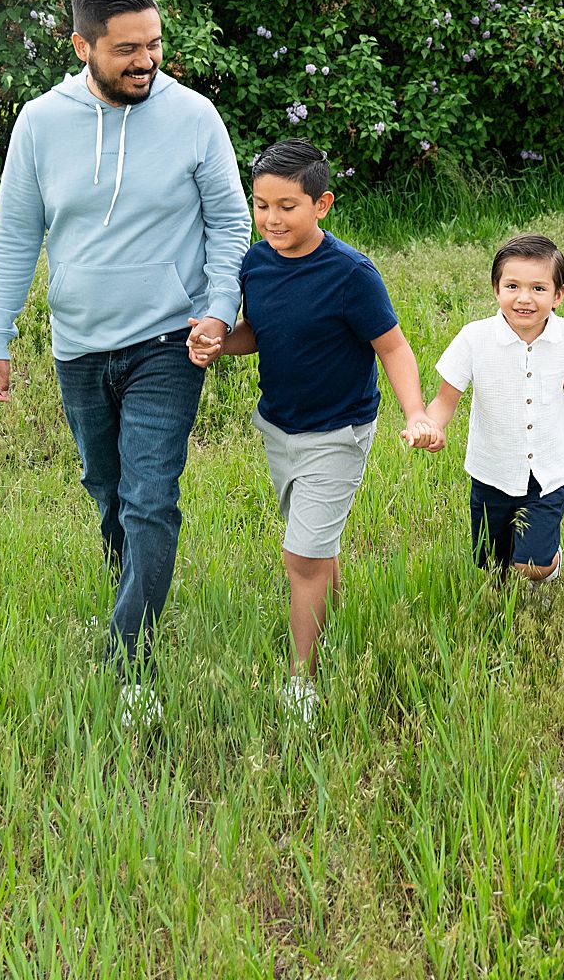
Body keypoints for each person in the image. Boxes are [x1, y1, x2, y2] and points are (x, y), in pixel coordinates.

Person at [0, 0, 252, 710]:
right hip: (78, 346)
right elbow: (15, 236)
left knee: (151, 498)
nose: (146, 61)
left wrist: (218, 309)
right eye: (126, 49)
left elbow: (230, 224)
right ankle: (137, 588)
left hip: (171, 340)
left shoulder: (195, 117)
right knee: (107, 492)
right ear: (82, 46)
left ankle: (130, 664)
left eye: (155, 44)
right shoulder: (39, 122)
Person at [186, 138, 433, 719]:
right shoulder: (256, 263)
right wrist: (222, 342)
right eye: (261, 204)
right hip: (279, 427)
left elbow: (393, 348)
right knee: (315, 549)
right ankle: (332, 625)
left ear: (321, 205)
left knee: (300, 555)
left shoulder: (350, 273)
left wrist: (415, 412)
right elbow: (260, 331)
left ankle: (303, 681)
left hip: (337, 432)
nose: (271, 219)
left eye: (287, 206)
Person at [403, 233, 564, 583]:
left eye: (539, 289)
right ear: (496, 289)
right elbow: (445, 400)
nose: (524, 298)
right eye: (512, 286)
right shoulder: (474, 338)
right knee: (492, 567)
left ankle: (549, 561)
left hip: (547, 472)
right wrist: (428, 426)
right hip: (490, 470)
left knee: (532, 566)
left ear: (559, 295)